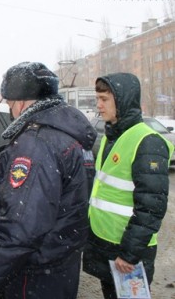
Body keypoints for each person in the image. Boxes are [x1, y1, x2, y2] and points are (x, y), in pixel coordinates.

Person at [0, 61, 97, 298]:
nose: (10, 110)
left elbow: (22, 228)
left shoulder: (35, 144)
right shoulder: (70, 135)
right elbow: (57, 204)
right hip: (61, 266)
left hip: (32, 276)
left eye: (9, 103)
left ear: (20, 103)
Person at [83, 73, 173, 299]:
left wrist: (130, 254)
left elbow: (151, 207)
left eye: (104, 99)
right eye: (97, 99)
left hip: (127, 251)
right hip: (107, 242)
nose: (98, 105)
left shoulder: (147, 141)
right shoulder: (110, 136)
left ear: (122, 101)